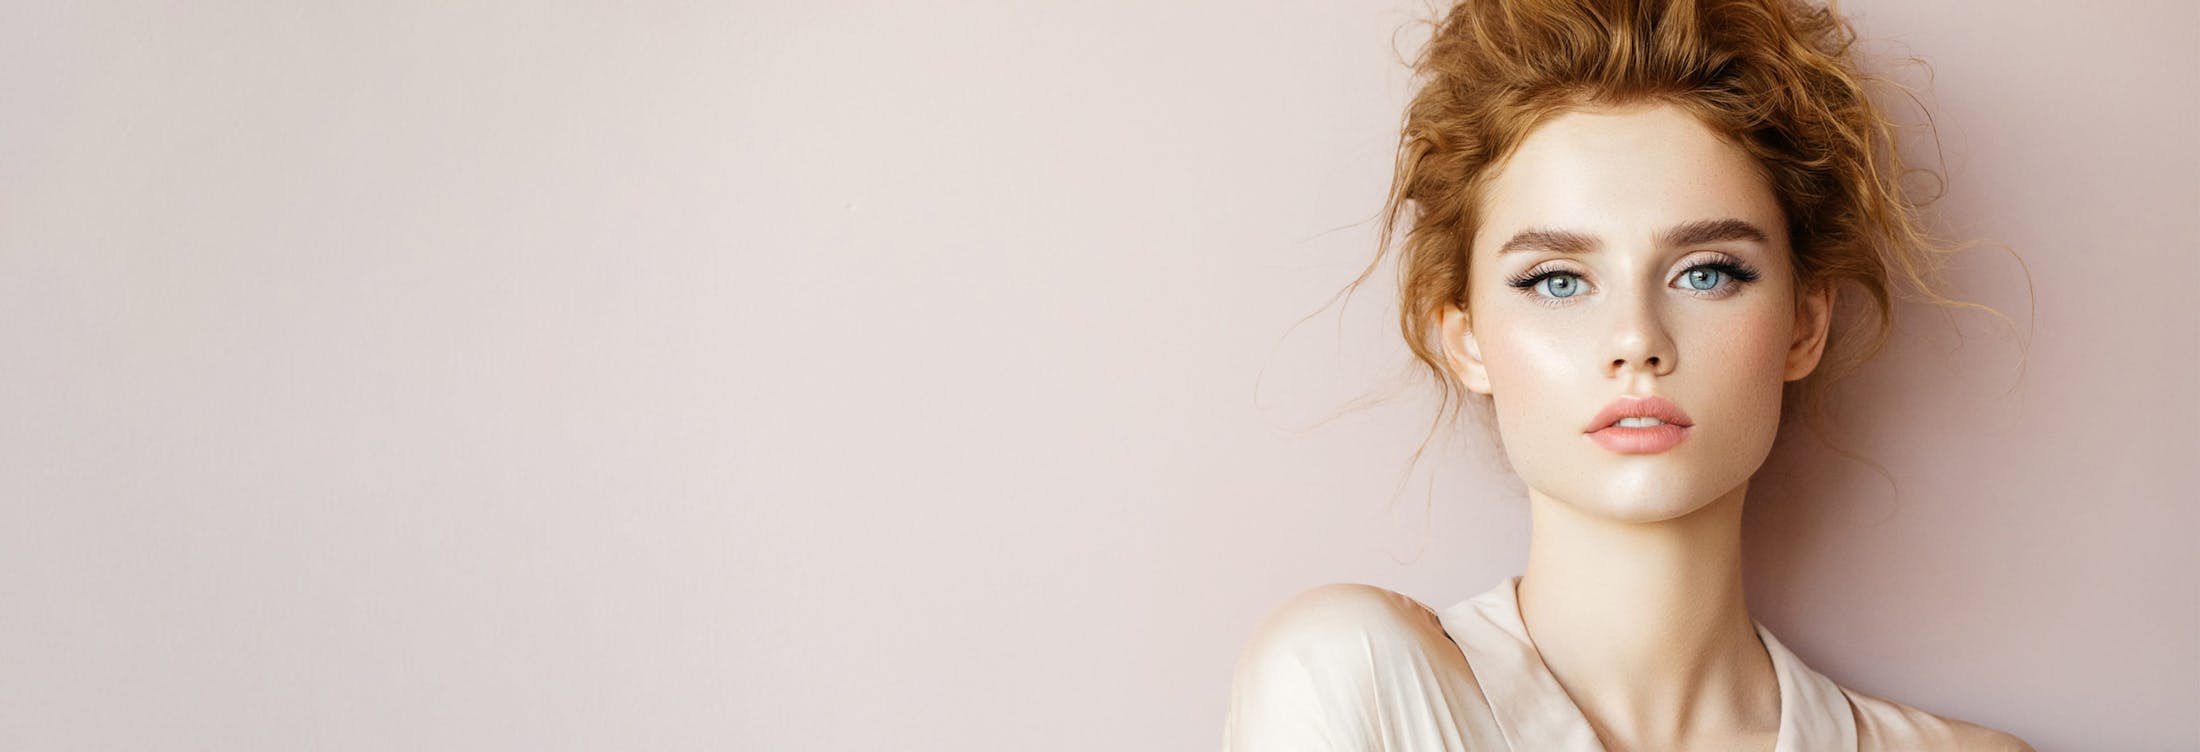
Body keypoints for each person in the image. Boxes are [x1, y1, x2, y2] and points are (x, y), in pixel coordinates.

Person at [1221, 1, 2032, 750]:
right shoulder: (1357, 682)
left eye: (1707, 272)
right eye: (1558, 280)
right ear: (1463, 338)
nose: (1637, 341)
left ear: (1805, 323)